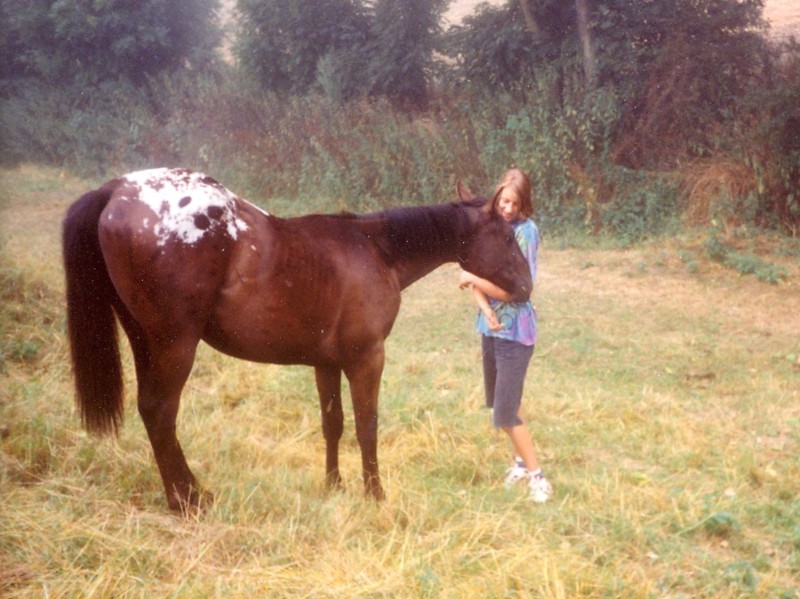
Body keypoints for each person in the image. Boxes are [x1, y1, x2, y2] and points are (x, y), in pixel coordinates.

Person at [459, 168, 552, 503]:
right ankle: (520, 465)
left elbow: (518, 292)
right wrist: (484, 307)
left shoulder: (526, 232)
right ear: (497, 196)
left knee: (506, 411)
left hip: (515, 331)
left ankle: (539, 478)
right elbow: (475, 273)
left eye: (515, 203)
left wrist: (473, 279)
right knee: (504, 403)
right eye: (504, 201)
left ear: (524, 203)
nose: (508, 208)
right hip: (491, 328)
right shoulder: (490, 227)